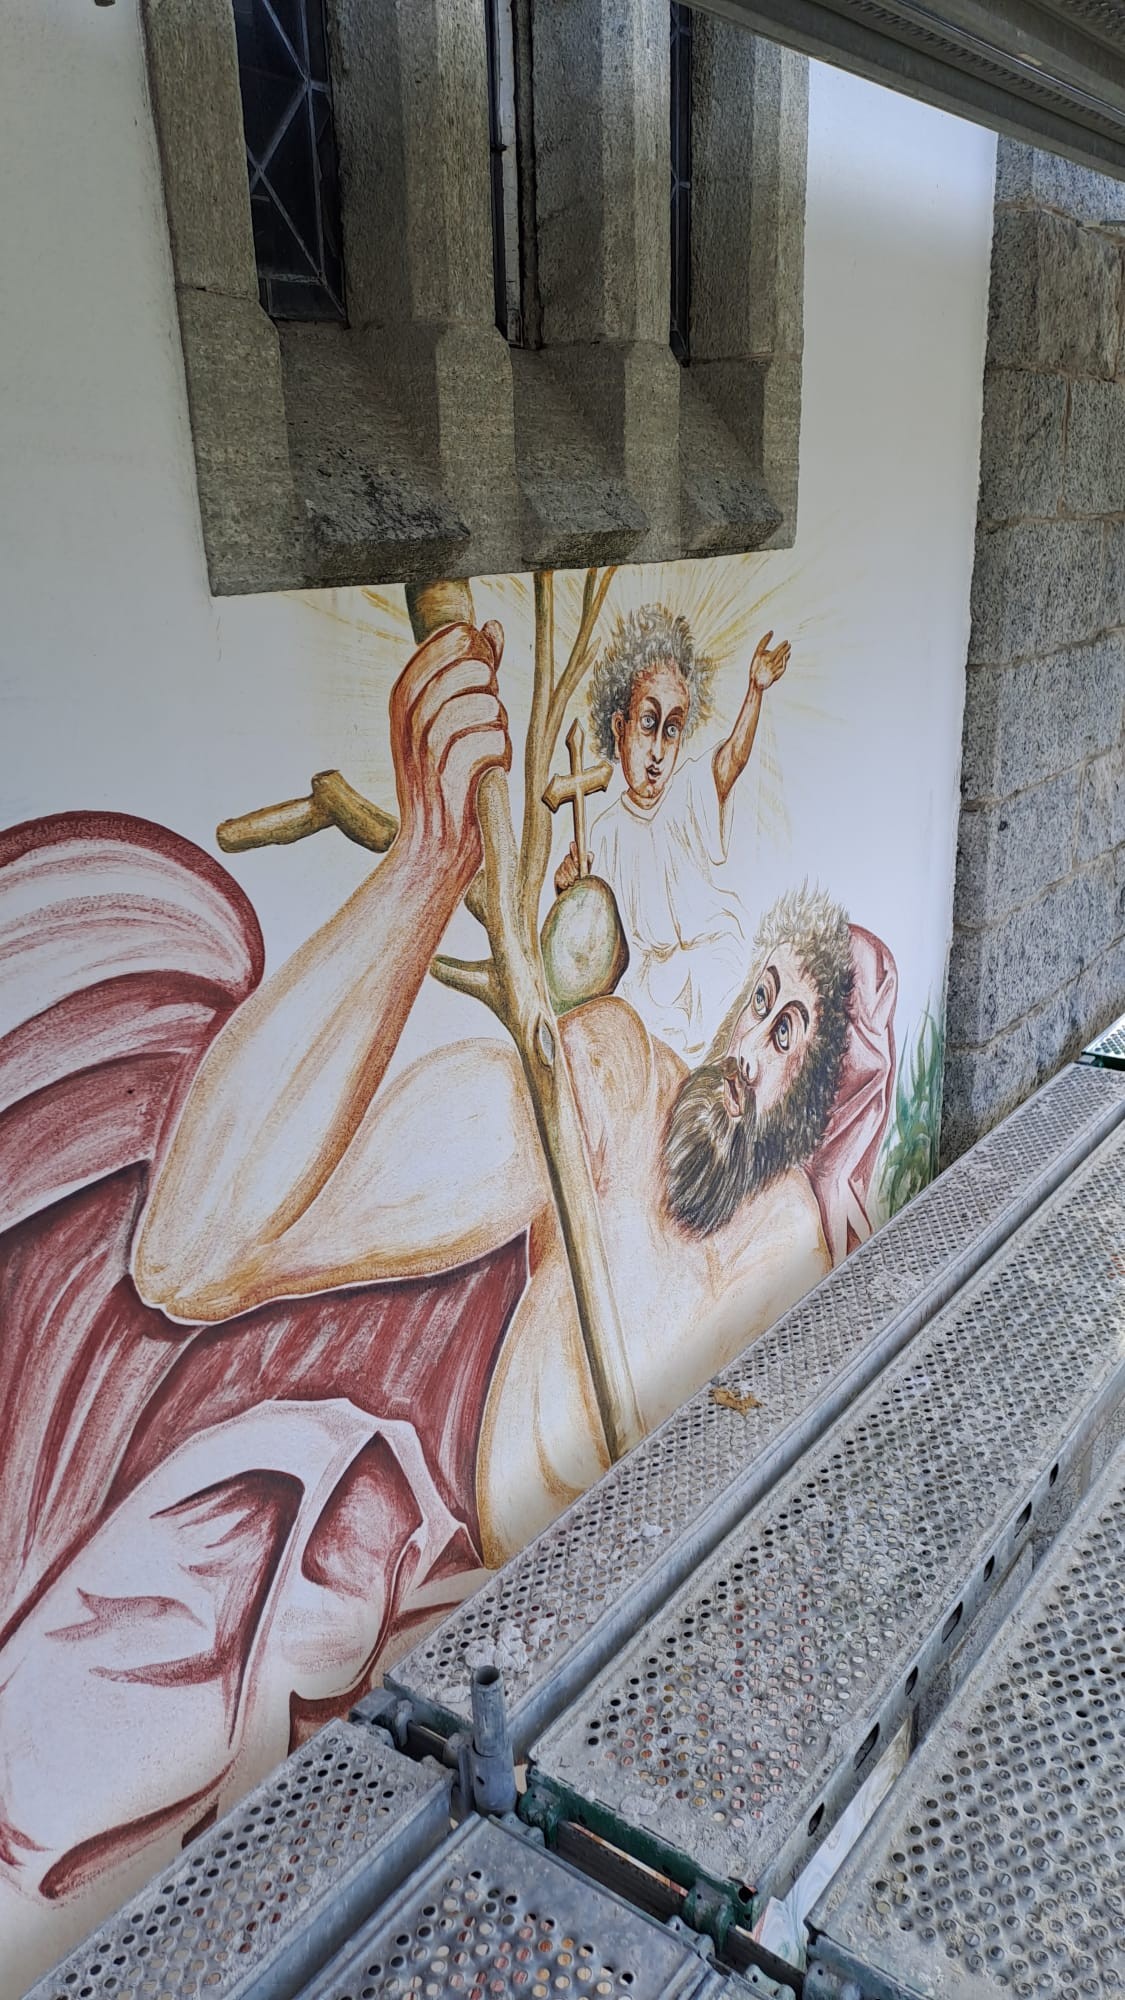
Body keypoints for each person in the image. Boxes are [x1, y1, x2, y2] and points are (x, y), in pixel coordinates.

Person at [136, 616, 894, 1568]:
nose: (746, 1045)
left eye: (786, 1031)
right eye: (756, 999)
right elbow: (192, 1260)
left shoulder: (784, 1239)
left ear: (816, 1098)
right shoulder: (613, 1083)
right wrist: (425, 866)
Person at [553, 603, 790, 1058]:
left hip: (715, 969)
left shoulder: (689, 789)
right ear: (620, 727)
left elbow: (733, 758)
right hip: (649, 993)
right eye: (648, 724)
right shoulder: (604, 832)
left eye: (672, 729)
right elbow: (590, 926)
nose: (658, 751)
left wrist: (755, 690)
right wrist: (568, 890)